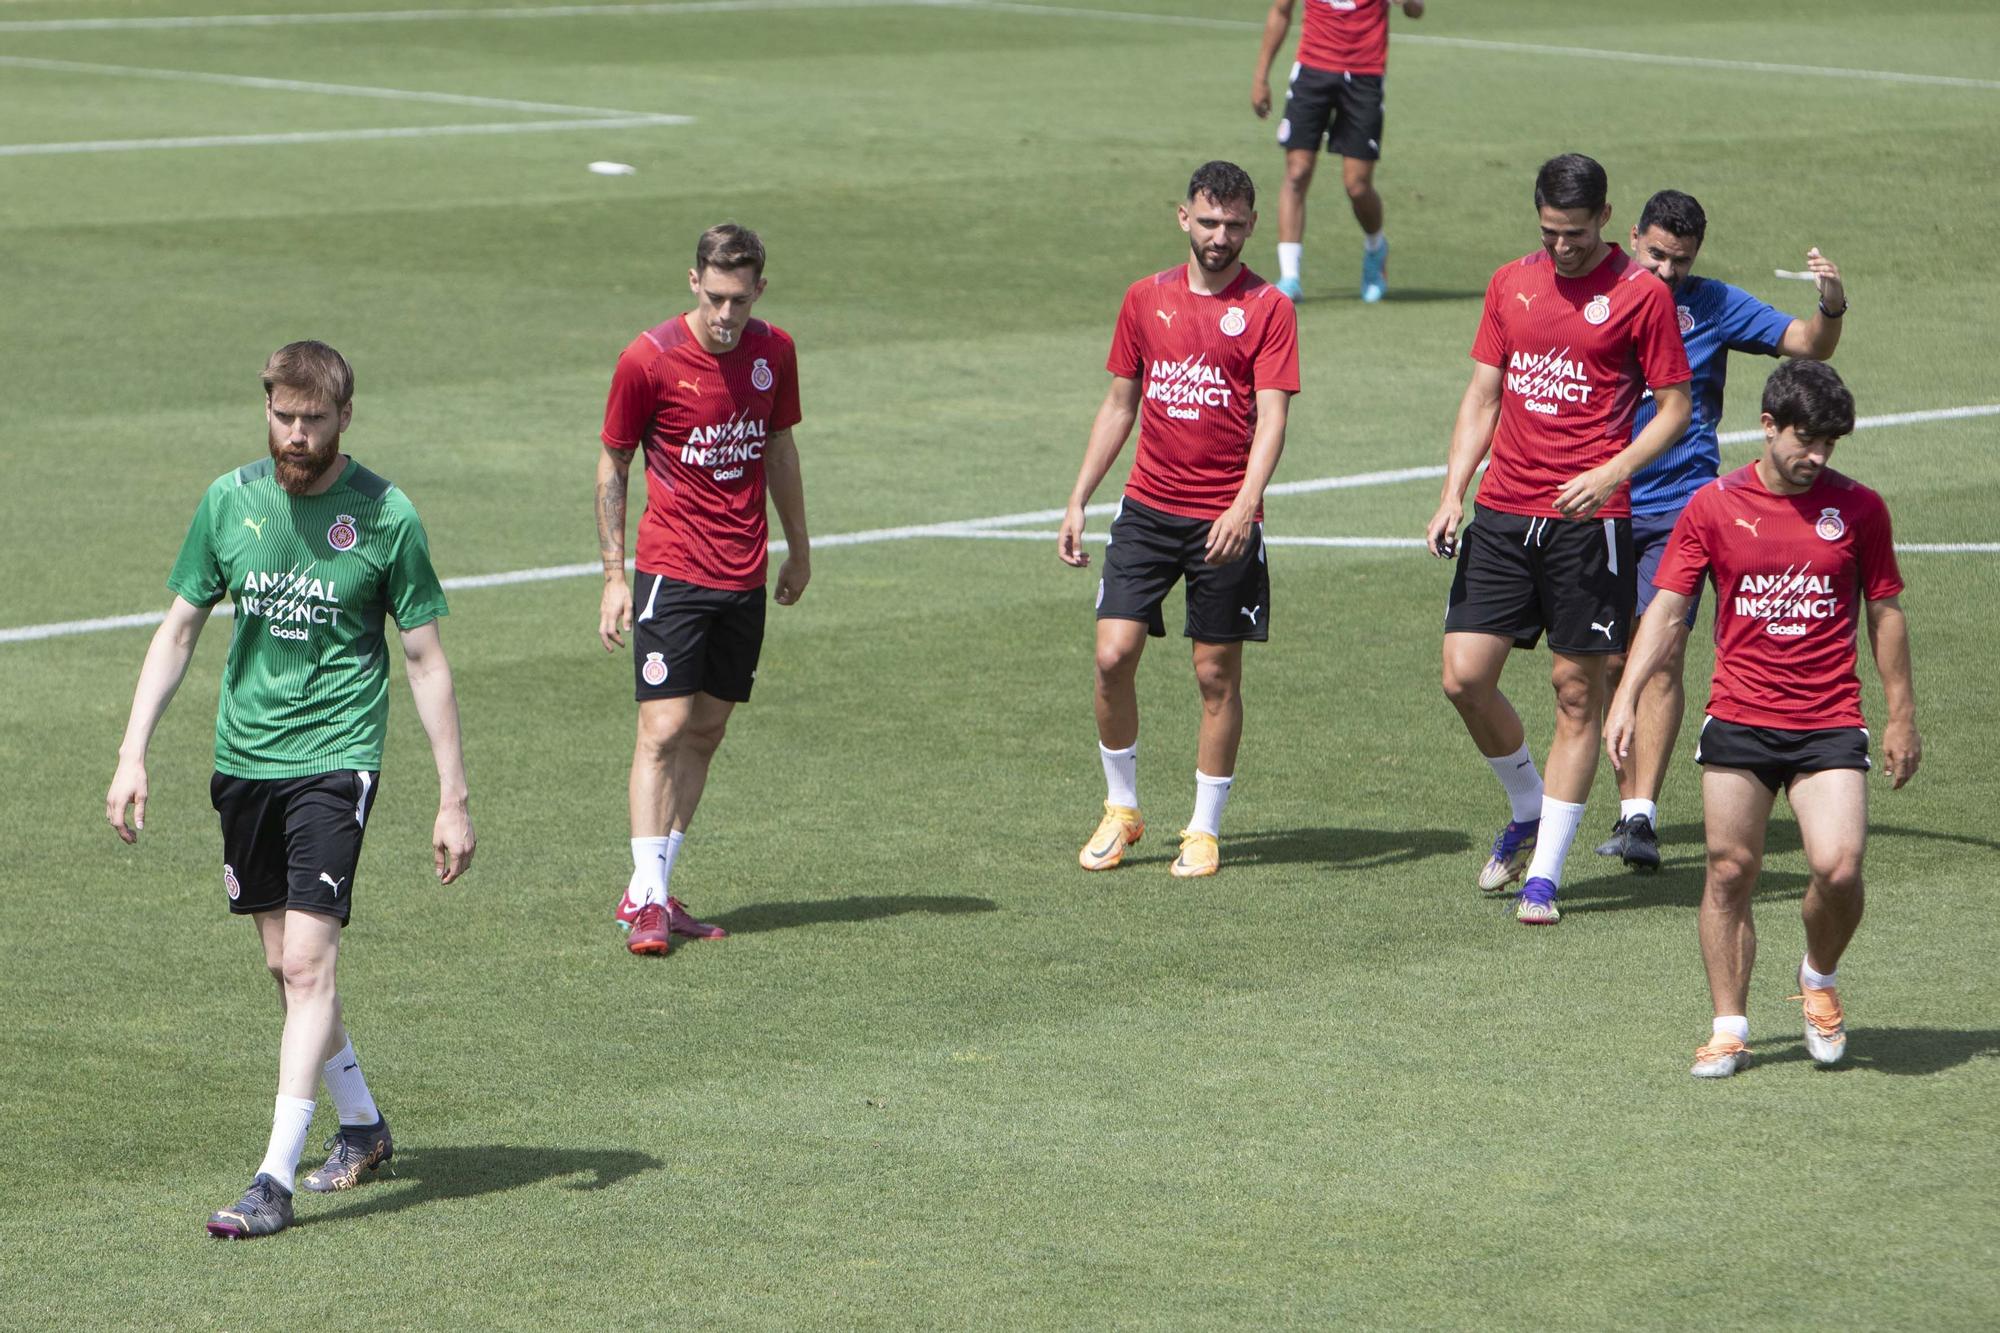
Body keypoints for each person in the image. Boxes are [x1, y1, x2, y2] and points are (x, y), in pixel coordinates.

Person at [105, 340, 476, 1239]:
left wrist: (451, 793)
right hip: (245, 760)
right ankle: (363, 1123)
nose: (296, 435)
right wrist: (132, 751)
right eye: (283, 417)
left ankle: (272, 1177)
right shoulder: (230, 501)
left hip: (336, 757)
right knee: (283, 965)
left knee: (309, 963)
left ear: (345, 417)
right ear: (266, 408)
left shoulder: (386, 516)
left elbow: (423, 658)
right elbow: (180, 630)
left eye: (313, 420)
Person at [1605, 360, 1918, 1077]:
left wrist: (1901, 716)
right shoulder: (1713, 506)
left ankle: (1818, 976)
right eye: (1805, 439)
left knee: (1838, 868)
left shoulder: (1861, 509)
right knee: (1728, 870)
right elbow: (1668, 609)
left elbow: (1885, 610)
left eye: (1829, 445)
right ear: (1768, 425)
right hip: (1740, 718)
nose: (1816, 457)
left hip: (1829, 716)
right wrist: (1624, 698)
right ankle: (1729, 1025)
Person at [1424, 153, 1692, 924]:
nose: (1561, 247)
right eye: (1548, 231)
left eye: (1573, 233)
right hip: (1505, 512)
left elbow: (1673, 407)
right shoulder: (1512, 281)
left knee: (1577, 691)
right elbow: (1484, 392)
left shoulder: (1641, 296)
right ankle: (1528, 803)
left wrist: (1615, 471)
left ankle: (1544, 876)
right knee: (1463, 677)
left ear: (1606, 218)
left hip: (1589, 524)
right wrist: (1452, 492)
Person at [1592, 190, 1848, 871]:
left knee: (1664, 650)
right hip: (1597, 502)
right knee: (1612, 661)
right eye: (1656, 255)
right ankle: (1627, 805)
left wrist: (1831, 303)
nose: (1669, 271)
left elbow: (1808, 345)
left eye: (1681, 259)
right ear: (1632, 237)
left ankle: (1638, 814)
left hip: (1681, 503)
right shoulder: (1599, 294)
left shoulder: (1710, 303)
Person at [1059, 160, 1299, 879]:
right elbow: (1120, 404)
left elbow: (1273, 419)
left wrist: (1243, 506)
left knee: (1215, 673)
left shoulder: (1269, 309)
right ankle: (1122, 809)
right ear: (1183, 217)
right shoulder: (1145, 299)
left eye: (1233, 224)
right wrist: (1078, 497)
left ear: (1252, 224)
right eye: (1208, 221)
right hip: (1146, 511)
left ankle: (1204, 826)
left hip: (1223, 518)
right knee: (1110, 657)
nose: (1219, 235)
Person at [598, 224, 812, 956]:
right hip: (672, 570)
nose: (726, 315)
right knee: (660, 730)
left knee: (708, 731)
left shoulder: (773, 352)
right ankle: (651, 899)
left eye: (739, 300)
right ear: (694, 282)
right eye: (715, 298)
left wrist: (800, 550)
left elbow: (779, 447)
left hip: (743, 573)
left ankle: (651, 884)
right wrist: (613, 576)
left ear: (759, 290)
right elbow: (614, 463)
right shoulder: (648, 359)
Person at [1251, 0, 1425, 303]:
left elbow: (1416, 10)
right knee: (1297, 171)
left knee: (1357, 185)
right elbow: (1281, 11)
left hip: (1364, 76)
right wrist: (1260, 77)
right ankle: (1289, 277)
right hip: (1312, 72)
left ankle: (1375, 247)